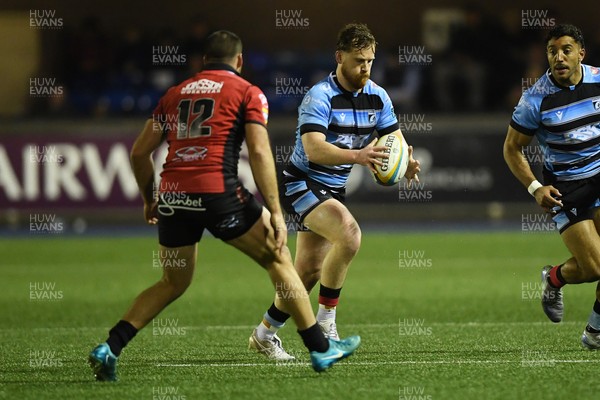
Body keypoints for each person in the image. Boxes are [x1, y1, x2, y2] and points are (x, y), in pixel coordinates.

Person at [88, 30, 361, 381]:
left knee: (172, 282)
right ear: (240, 61)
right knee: (278, 258)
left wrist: (149, 198)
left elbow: (140, 152)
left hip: (173, 196)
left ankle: (110, 347)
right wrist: (276, 211)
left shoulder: (173, 95)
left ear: (203, 61)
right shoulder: (247, 92)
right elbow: (260, 152)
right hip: (219, 194)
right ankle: (321, 349)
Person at [248, 23, 420, 360]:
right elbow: (314, 149)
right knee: (351, 235)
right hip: (301, 182)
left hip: (332, 189)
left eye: (370, 60)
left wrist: (406, 161)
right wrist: (359, 156)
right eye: (358, 61)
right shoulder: (320, 96)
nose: (365, 68)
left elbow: (394, 139)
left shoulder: (378, 95)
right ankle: (326, 324)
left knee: (309, 272)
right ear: (339, 57)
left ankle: (264, 334)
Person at [504, 24, 600, 349]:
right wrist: (535, 188)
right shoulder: (535, 100)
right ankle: (554, 278)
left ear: (581, 54)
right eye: (552, 51)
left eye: (566, 50)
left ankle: (594, 333)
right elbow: (511, 148)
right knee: (595, 267)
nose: (558, 57)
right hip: (566, 188)